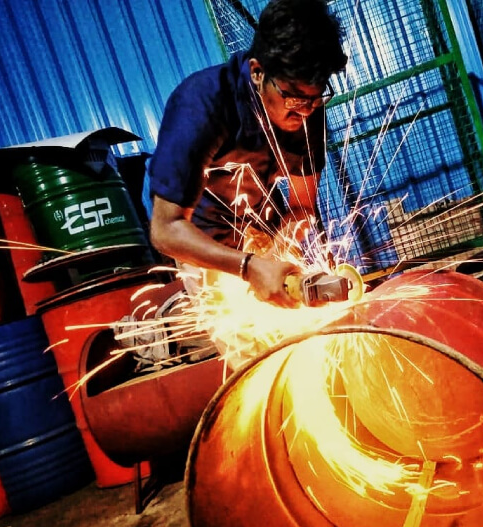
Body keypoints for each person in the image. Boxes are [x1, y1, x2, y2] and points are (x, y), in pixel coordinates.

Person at [146, 0, 348, 309]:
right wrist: (248, 267)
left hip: (260, 226)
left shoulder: (308, 106)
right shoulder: (201, 106)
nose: (306, 111)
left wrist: (277, 257)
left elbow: (302, 207)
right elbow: (165, 229)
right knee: (240, 337)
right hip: (201, 239)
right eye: (294, 98)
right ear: (257, 72)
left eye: (316, 98)